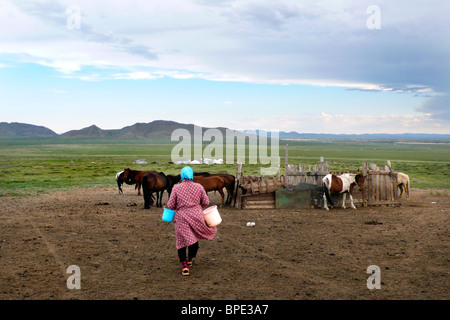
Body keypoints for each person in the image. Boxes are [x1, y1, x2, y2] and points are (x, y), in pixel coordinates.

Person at [165, 166, 217, 276]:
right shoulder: (199, 187)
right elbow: (206, 201)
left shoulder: (176, 188)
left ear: (182, 176)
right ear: (191, 175)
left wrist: (169, 208)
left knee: (181, 241)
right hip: (197, 216)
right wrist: (197, 208)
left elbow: (170, 205)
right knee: (195, 237)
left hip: (181, 217)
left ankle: (184, 267)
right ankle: (190, 259)